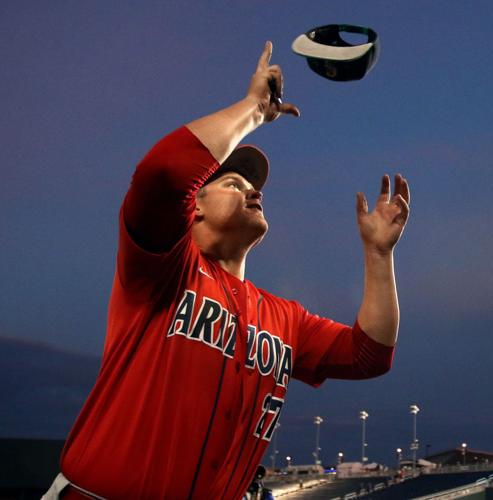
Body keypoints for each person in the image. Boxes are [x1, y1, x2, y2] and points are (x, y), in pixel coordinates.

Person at [45, 42, 410, 499]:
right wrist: (254, 109)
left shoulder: (286, 319)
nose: (254, 191)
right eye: (235, 183)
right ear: (193, 206)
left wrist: (378, 255)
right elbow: (163, 172)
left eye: (253, 186)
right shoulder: (162, 264)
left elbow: (370, 355)